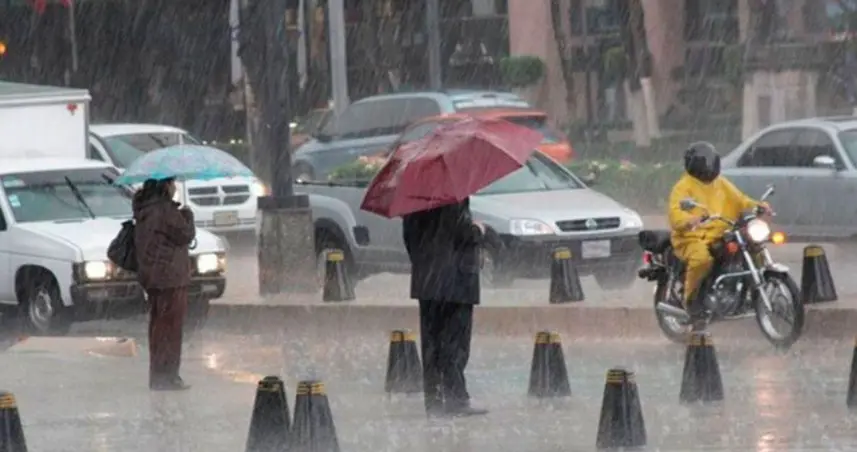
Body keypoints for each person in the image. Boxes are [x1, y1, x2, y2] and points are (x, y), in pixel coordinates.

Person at [403, 198, 488, 418]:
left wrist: (426, 264)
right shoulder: (451, 197)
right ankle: (456, 398)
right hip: (456, 282)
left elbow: (409, 239)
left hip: (428, 281)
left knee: (432, 344)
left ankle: (434, 399)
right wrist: (478, 230)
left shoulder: (414, 198)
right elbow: (461, 233)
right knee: (455, 343)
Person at [668, 142, 770, 324]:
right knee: (701, 259)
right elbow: (676, 213)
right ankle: (691, 301)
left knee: (752, 246)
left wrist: (757, 206)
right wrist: (689, 220)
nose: (708, 168)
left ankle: (747, 292)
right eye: (705, 164)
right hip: (691, 237)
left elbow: (740, 199)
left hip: (721, 232)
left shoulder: (720, 183)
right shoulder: (683, 187)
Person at [133, 177, 196, 391]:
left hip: (153, 276)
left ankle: (158, 374)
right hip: (170, 277)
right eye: (172, 183)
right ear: (165, 186)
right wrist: (188, 215)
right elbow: (186, 234)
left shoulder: (145, 209)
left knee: (158, 326)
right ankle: (168, 376)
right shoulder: (165, 211)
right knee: (171, 328)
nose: (175, 187)